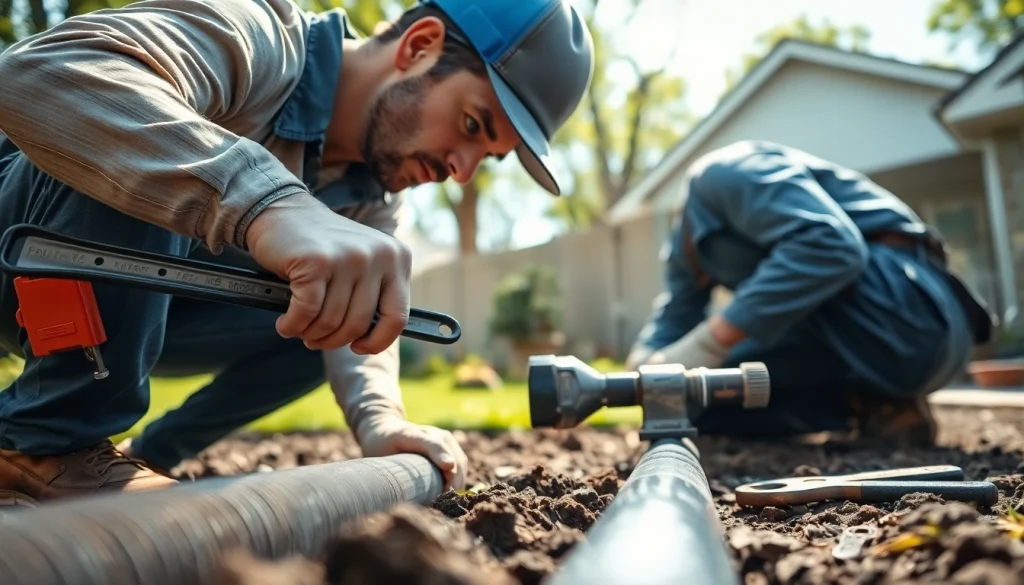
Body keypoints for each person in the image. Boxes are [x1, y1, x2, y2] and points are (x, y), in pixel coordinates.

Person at [0, 0, 594, 505]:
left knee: (338, 314)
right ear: (420, 45)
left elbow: (360, 341)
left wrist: (381, 419)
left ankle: (135, 458)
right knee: (139, 133)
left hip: (111, 303)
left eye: (486, 157)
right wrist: (269, 203)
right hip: (19, 242)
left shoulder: (370, 196)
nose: (461, 171)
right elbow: (35, 73)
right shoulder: (257, 37)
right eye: (471, 124)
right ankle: (45, 441)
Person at [625, 140, 996, 446]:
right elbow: (673, 319)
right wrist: (640, 372)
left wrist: (712, 342)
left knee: (729, 355)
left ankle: (871, 394)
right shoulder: (689, 258)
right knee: (707, 405)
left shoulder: (720, 175)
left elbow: (832, 245)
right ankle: (875, 403)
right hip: (888, 343)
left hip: (910, 312)